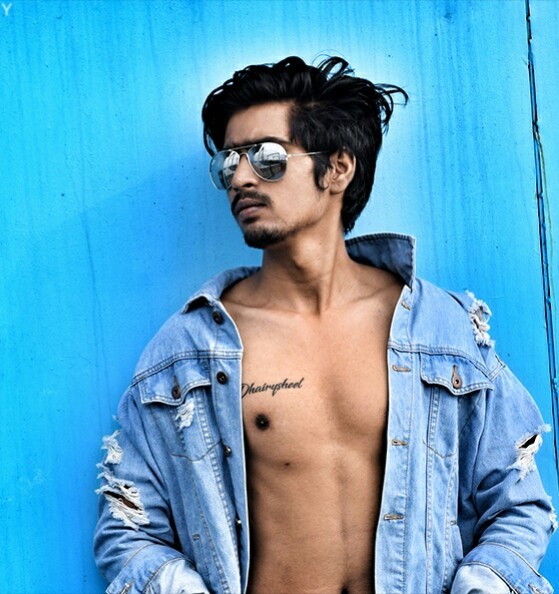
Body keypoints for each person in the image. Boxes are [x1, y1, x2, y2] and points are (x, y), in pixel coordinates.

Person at [94, 56, 556, 594]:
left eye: (267, 157)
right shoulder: (190, 351)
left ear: (337, 168)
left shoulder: (440, 331)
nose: (240, 177)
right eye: (228, 162)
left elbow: (518, 501)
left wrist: (485, 585)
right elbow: (127, 525)